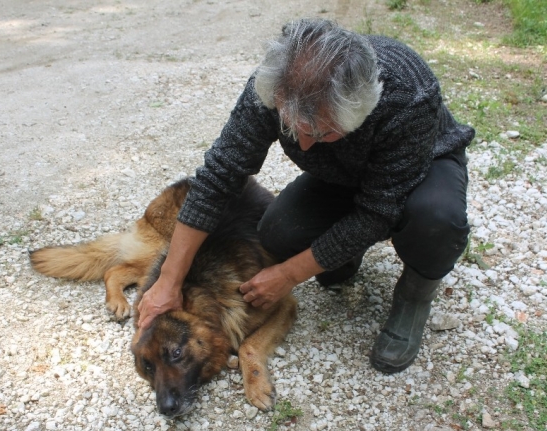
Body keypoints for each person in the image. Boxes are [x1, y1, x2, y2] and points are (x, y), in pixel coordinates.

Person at [137, 18, 474, 374]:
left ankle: (414, 296)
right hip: (342, 175)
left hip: (422, 168)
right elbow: (219, 176)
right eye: (291, 127)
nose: (305, 145)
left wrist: (288, 275)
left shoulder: (407, 95)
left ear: (363, 108)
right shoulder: (276, 81)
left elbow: (378, 211)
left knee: (436, 217)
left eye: (322, 131)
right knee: (278, 233)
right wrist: (168, 282)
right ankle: (342, 255)